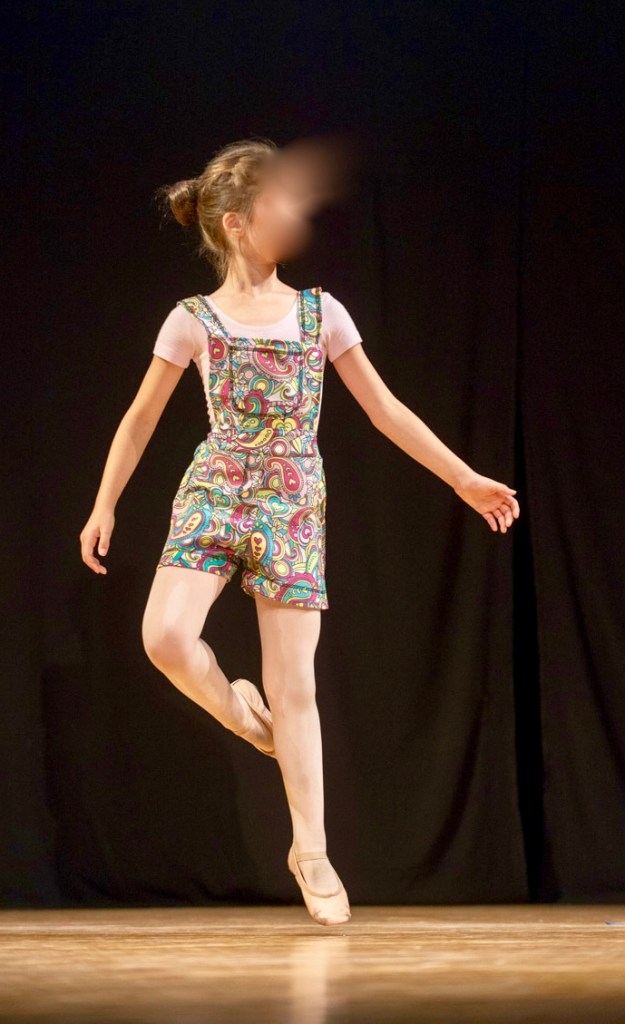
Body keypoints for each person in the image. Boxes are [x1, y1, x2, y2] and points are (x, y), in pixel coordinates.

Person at [79, 136, 520, 927]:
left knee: (296, 686)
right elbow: (140, 418)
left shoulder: (321, 312)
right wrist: (105, 501)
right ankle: (245, 719)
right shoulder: (192, 320)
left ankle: (310, 851)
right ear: (239, 223)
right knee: (165, 638)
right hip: (215, 490)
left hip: (291, 502)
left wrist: (461, 477)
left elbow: (385, 410)